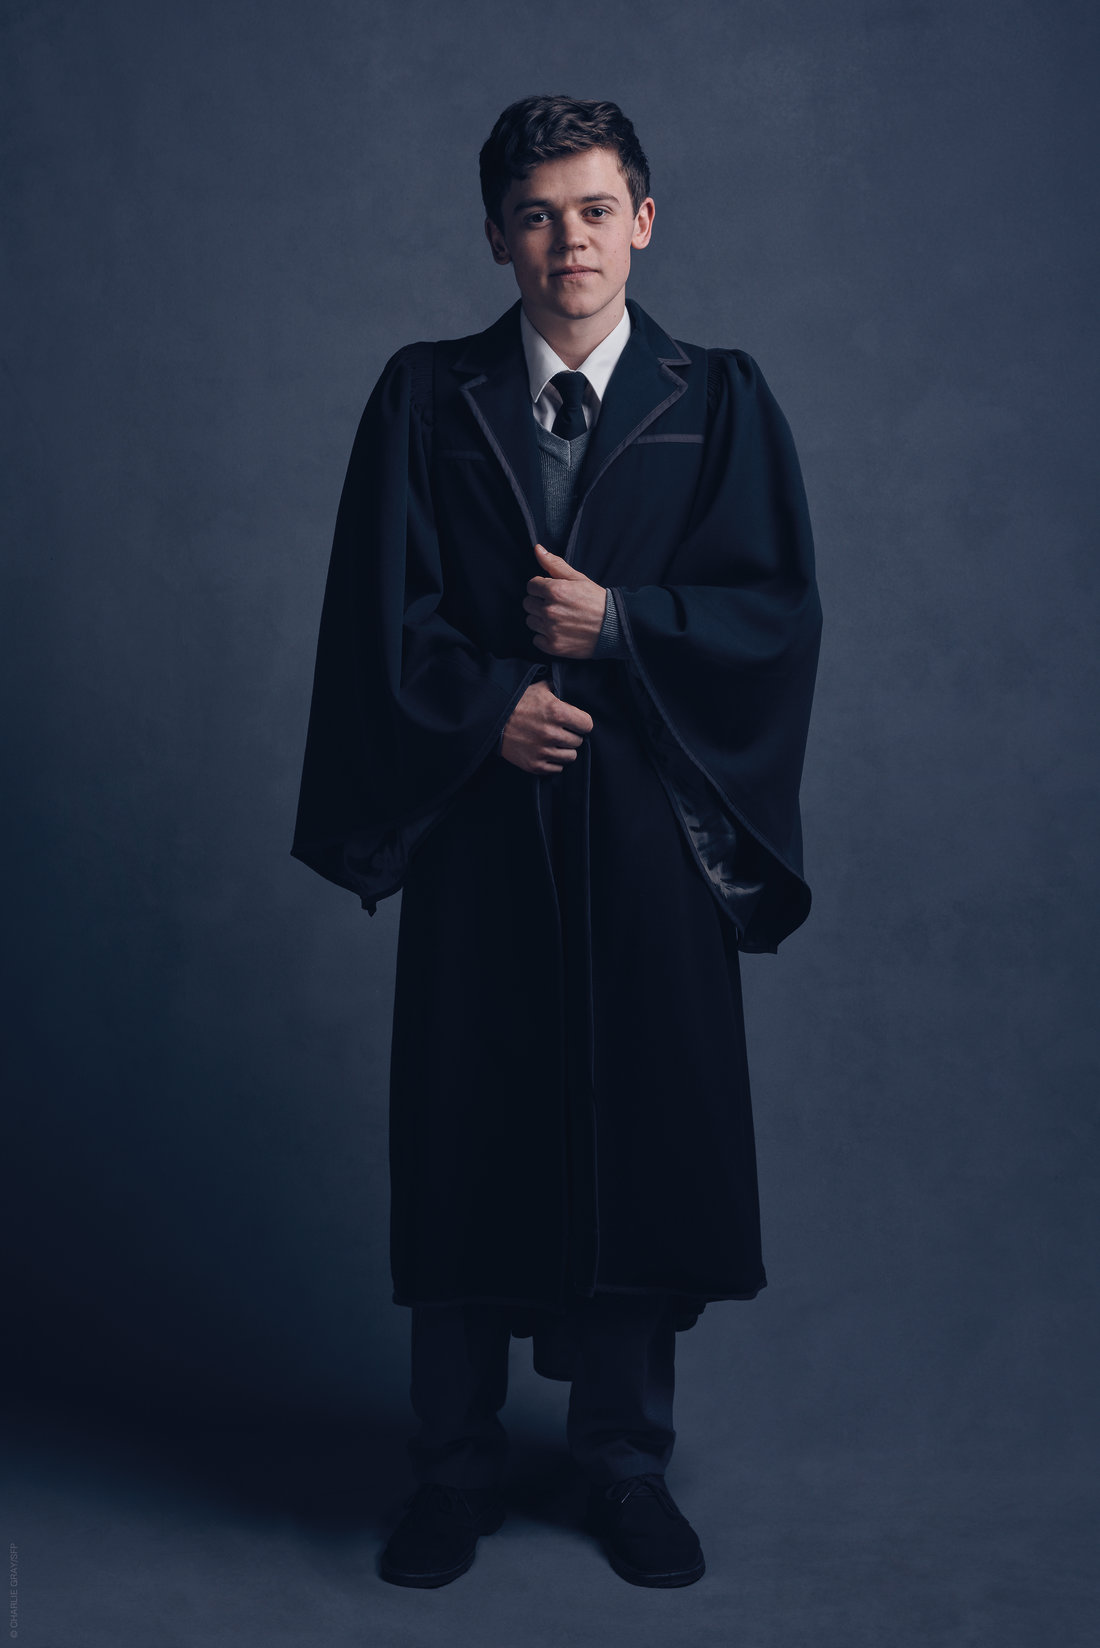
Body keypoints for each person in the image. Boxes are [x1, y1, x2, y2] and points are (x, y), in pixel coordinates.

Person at [290, 94, 822, 1590]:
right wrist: (489, 713)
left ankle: (624, 1462)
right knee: (469, 1131)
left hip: (648, 834)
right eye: (535, 215)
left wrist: (622, 625)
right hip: (486, 835)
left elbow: (776, 614)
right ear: (495, 236)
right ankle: (452, 1469)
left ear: (642, 222)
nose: (567, 241)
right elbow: (374, 618)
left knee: (641, 1128)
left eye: (594, 211)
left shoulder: (721, 399)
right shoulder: (427, 396)